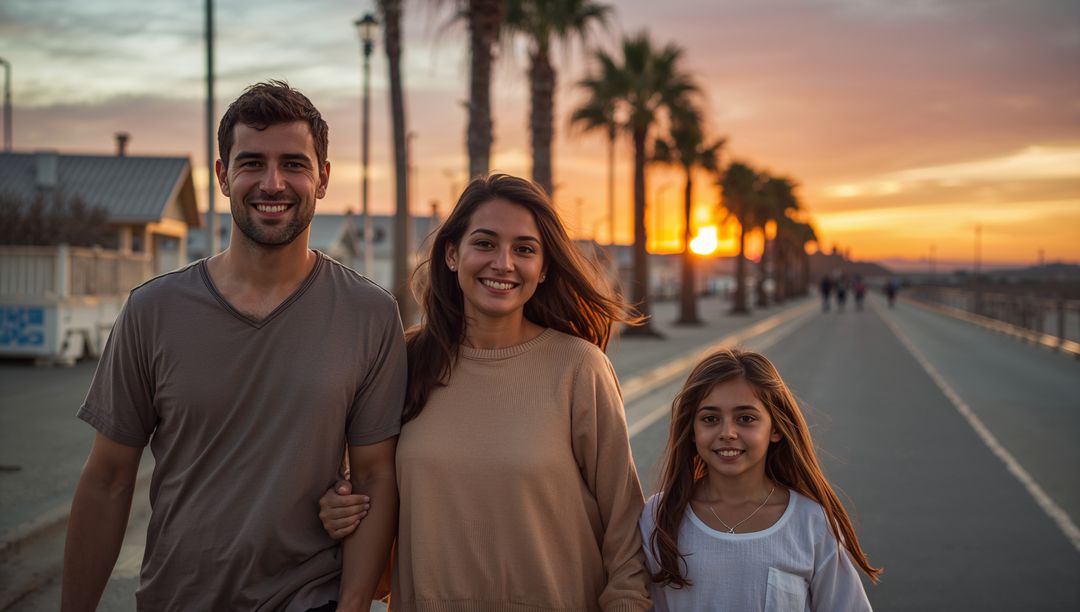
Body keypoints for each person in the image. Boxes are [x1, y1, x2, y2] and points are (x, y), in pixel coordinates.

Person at [62, 82, 405, 612]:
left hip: (307, 597)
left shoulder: (370, 313)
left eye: (294, 163)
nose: (273, 183)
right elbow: (107, 478)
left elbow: (375, 475)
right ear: (223, 176)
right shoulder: (153, 310)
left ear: (323, 178)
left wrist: (353, 605)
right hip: (177, 597)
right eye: (252, 163)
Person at [320, 174, 651, 611]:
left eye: (525, 249)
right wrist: (339, 508)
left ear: (544, 267)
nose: (504, 263)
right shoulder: (405, 360)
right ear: (453, 254)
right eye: (486, 243)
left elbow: (626, 531)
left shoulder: (579, 367)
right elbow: (369, 492)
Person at [640, 349, 878, 611]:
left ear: (775, 428)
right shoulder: (658, 516)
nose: (727, 433)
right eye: (710, 419)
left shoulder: (812, 522)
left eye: (746, 419)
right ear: (693, 431)